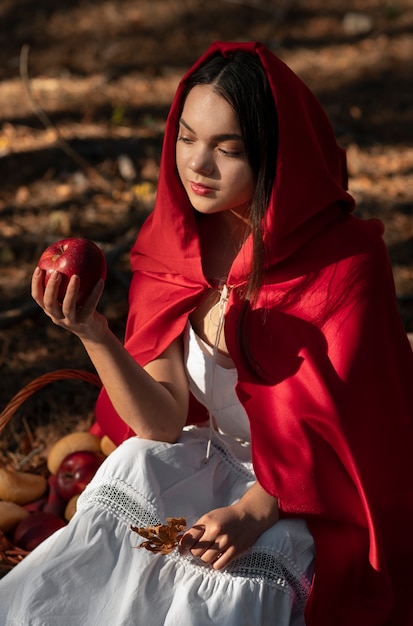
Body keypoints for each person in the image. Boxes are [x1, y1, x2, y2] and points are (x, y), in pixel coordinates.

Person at [0, 41, 412, 626]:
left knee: (233, 585)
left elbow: (359, 439)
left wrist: (254, 510)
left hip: (308, 499)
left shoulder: (342, 265)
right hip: (211, 463)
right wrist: (93, 332)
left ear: (273, 156)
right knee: (133, 467)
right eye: (187, 138)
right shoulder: (175, 242)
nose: (197, 164)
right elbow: (163, 422)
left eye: (227, 148)